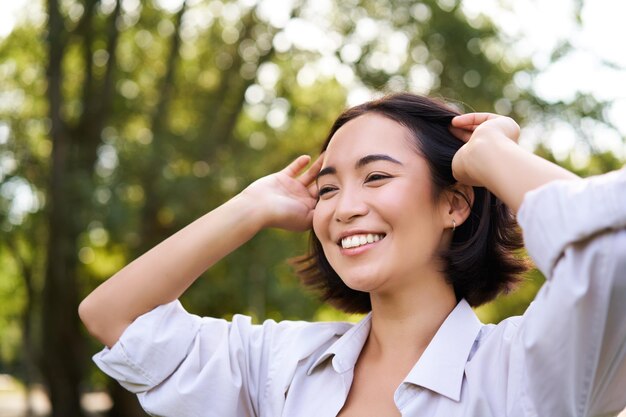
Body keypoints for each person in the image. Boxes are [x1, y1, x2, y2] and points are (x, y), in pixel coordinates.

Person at [79, 93, 626, 417]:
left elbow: (613, 247)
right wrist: (251, 206)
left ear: (454, 204)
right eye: (328, 188)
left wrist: (494, 155)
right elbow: (114, 317)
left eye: (378, 176)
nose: (343, 209)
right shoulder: (281, 366)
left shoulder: (527, 366)